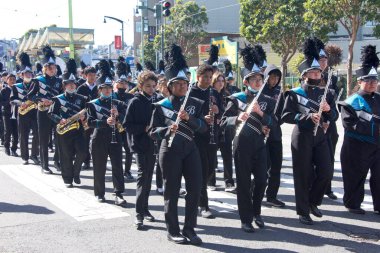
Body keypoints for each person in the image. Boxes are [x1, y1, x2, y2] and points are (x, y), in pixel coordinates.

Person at [149, 44, 206, 245]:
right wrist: (167, 130)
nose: (183, 86)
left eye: (185, 83)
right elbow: (152, 132)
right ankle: (172, 230)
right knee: (171, 192)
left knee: (195, 189)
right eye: (178, 84)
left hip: (190, 149)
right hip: (170, 151)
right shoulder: (160, 106)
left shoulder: (196, 103)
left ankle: (189, 228)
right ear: (170, 86)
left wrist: (189, 119)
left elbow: (203, 128)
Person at [282, 38, 338, 225]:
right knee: (303, 174)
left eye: (318, 71)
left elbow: (334, 117)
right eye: (313, 72)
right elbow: (286, 116)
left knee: (326, 171)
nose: (317, 74)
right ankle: (303, 211)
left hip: (320, 136)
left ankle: (314, 201)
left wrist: (329, 111)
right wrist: (306, 117)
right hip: (302, 136)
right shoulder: (294, 93)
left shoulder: (327, 93)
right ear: (305, 74)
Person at [220, 44, 271, 232]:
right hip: (241, 144)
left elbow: (274, 122)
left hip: (259, 143)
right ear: (247, 81)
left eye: (260, 79)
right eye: (254, 79)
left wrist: (263, 116)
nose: (258, 82)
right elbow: (223, 121)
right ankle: (245, 219)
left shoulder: (268, 100)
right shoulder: (236, 99)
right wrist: (236, 118)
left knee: (261, 180)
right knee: (243, 182)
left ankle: (256, 211)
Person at [338, 45, 380, 215]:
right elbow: (350, 124)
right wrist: (376, 129)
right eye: (368, 80)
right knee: (355, 177)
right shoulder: (351, 101)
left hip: (377, 147)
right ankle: (353, 204)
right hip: (357, 147)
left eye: (375, 80)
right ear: (359, 82)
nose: (372, 84)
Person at [124, 70, 157, 229]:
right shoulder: (135, 101)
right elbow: (127, 125)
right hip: (139, 144)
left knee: (149, 177)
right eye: (148, 86)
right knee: (143, 178)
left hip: (153, 144)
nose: (151, 89)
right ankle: (138, 213)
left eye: (153, 86)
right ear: (141, 86)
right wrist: (144, 128)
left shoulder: (156, 100)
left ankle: (145, 209)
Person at [87, 77, 126, 205]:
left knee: (117, 166)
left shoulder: (118, 104)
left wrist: (118, 115)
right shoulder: (92, 104)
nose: (108, 90)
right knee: (99, 166)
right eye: (105, 88)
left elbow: (127, 119)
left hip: (115, 138)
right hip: (98, 138)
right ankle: (99, 193)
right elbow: (89, 122)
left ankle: (119, 193)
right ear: (100, 90)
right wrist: (105, 122)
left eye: (109, 88)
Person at [190, 63, 222, 219]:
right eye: (206, 77)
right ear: (198, 77)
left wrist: (217, 111)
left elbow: (221, 112)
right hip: (196, 136)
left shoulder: (214, 93)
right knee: (201, 170)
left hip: (212, 135)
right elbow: (188, 114)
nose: (209, 80)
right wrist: (202, 118)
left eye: (211, 77)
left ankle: (196, 196)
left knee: (211, 168)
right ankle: (203, 205)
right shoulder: (190, 91)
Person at [28, 45, 62, 174]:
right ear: (46, 69)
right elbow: (30, 95)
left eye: (55, 68)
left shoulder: (59, 81)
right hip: (42, 112)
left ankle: (57, 162)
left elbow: (61, 95)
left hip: (56, 112)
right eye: (52, 68)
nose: (54, 70)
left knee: (59, 138)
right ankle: (44, 165)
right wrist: (41, 100)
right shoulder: (37, 81)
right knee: (43, 139)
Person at [48, 73, 87, 188]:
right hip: (63, 131)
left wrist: (84, 117)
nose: (71, 86)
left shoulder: (82, 99)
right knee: (66, 155)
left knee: (82, 152)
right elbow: (50, 113)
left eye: (73, 84)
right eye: (69, 84)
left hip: (78, 129)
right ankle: (68, 179)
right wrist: (60, 119)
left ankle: (76, 172)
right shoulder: (58, 99)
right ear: (64, 86)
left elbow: (88, 113)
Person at [315, 38, 339, 200]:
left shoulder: (332, 77)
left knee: (329, 156)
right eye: (320, 60)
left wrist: (329, 117)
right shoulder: (310, 76)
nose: (323, 62)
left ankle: (327, 187)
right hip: (315, 120)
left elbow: (334, 97)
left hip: (329, 119)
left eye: (325, 60)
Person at [262, 65, 286, 208]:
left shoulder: (279, 93)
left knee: (276, 167)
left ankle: (272, 196)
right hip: (261, 133)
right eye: (272, 77)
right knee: (263, 167)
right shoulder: (260, 91)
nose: (275, 80)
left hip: (275, 134)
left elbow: (282, 114)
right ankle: (254, 190)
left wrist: (276, 121)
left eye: (277, 77)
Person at [211, 72, 235, 192]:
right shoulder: (210, 94)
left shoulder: (226, 95)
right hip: (214, 129)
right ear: (213, 82)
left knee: (227, 156)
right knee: (211, 156)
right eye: (218, 81)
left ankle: (229, 182)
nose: (221, 83)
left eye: (222, 81)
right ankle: (211, 181)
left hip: (225, 129)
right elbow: (213, 110)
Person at [113, 61, 135, 181]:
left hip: (126, 127)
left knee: (128, 150)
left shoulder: (131, 97)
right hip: (115, 127)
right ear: (115, 83)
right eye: (120, 82)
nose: (122, 84)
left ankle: (127, 170)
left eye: (124, 82)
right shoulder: (112, 96)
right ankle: (118, 171)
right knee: (116, 151)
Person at [77, 66, 98, 171]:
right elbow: (78, 103)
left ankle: (96, 160)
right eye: (90, 75)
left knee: (96, 140)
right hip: (85, 117)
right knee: (85, 140)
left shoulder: (99, 88)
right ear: (85, 76)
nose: (92, 77)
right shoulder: (81, 88)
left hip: (96, 117)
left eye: (94, 75)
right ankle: (86, 161)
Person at [1, 73, 19, 156]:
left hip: (16, 113)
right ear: (7, 80)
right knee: (7, 131)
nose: (12, 81)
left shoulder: (18, 89)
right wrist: (9, 102)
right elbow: (1, 102)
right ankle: (7, 147)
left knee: (16, 132)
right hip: (7, 113)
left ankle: (14, 149)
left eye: (14, 79)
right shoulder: (4, 90)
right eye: (10, 79)